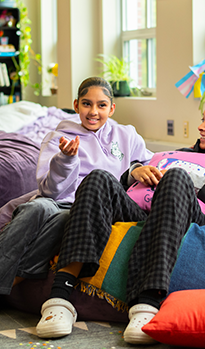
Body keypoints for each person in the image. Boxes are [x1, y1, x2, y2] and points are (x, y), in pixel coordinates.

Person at [35, 94, 205, 344]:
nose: (201, 127)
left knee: (177, 178)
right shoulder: (182, 153)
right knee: (97, 178)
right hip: (146, 212)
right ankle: (60, 297)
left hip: (193, 220)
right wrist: (134, 172)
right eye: (202, 120)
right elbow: (128, 187)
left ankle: (146, 304)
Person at [0, 76, 153, 296]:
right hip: (57, 200)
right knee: (36, 209)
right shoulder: (57, 137)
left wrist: (136, 168)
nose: (93, 112)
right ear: (76, 105)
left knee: (64, 222)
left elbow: (149, 163)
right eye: (86, 104)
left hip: (88, 208)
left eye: (101, 105)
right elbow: (49, 191)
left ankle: (13, 281)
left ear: (111, 108)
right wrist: (65, 159)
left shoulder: (127, 135)